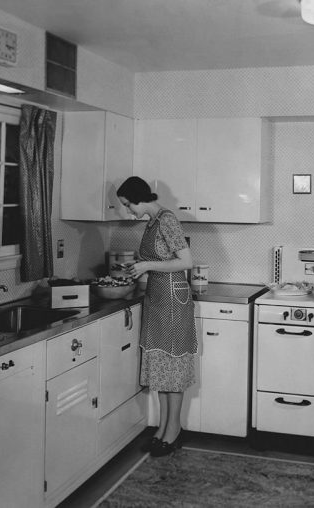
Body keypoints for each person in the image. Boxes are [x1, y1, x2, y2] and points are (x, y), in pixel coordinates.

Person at [117, 176, 197, 458]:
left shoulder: (167, 220)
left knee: (173, 369)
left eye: (129, 206)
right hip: (158, 298)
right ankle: (163, 428)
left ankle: (173, 431)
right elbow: (160, 260)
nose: (129, 212)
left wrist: (147, 265)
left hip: (173, 300)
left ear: (139, 198)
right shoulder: (151, 223)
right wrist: (139, 268)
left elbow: (186, 262)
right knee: (163, 369)